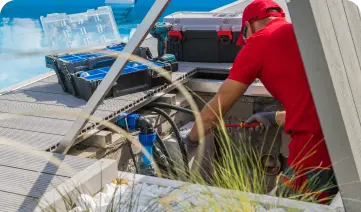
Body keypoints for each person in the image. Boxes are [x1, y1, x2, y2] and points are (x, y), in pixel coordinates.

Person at [182, 0, 338, 204]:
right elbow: (311, 101)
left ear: (247, 27)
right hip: (344, 141)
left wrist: (191, 139)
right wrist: (272, 117)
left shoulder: (258, 41)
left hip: (314, 152)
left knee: (287, 205)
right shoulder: (301, 32)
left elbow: (215, 111)